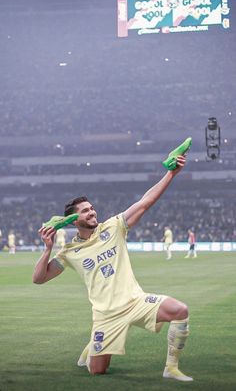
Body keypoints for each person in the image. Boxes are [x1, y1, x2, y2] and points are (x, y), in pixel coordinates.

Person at [33, 155, 193, 382]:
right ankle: (92, 348)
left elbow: (144, 202)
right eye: (85, 211)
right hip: (106, 315)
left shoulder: (113, 227)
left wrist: (171, 174)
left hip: (135, 302)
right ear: (73, 220)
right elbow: (39, 278)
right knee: (97, 371)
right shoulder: (68, 252)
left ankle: (171, 367)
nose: (92, 212)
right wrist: (47, 249)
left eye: (92, 208)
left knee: (180, 310)